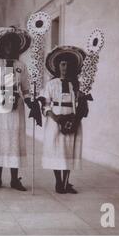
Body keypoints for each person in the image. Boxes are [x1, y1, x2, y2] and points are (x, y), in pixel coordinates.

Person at [0, 27, 32, 191]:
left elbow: (25, 89)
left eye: (13, 44)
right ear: (2, 47)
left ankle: (14, 179)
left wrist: (31, 103)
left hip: (16, 109)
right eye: (6, 44)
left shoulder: (21, 66)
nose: (9, 47)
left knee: (14, 140)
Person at [41, 46, 87, 194]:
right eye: (62, 64)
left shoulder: (76, 85)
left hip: (72, 118)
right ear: (57, 65)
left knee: (68, 149)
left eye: (68, 64)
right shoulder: (51, 84)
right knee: (56, 149)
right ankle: (58, 182)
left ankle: (66, 182)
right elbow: (46, 105)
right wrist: (55, 118)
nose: (65, 67)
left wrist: (81, 102)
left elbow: (81, 106)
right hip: (56, 118)